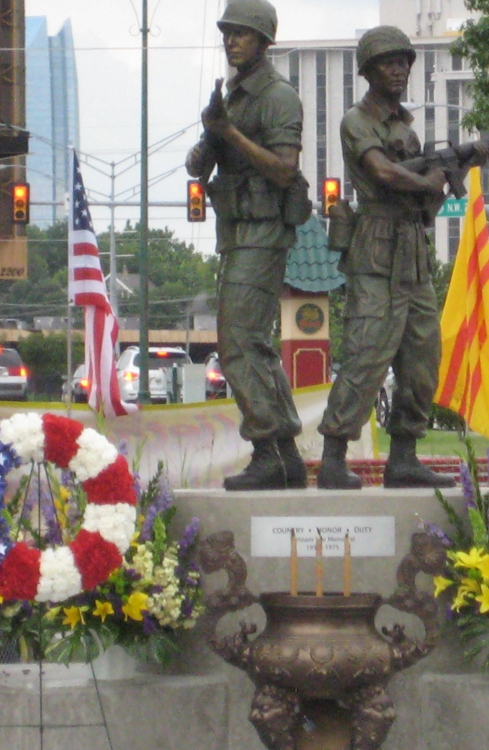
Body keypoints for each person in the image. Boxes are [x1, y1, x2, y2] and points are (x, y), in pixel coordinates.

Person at [316, 26, 489, 490]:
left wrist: (461, 165)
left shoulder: (407, 131)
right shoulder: (357, 121)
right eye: (388, 63)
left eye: (403, 63)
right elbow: (381, 171)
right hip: (375, 252)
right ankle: (334, 457)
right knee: (366, 357)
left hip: (413, 255)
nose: (398, 71)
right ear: (368, 70)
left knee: (422, 361)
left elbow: (425, 199)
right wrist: (427, 180)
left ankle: (404, 457)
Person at [185, 0, 311, 491]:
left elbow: (284, 169)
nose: (231, 40)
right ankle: (284, 456)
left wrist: (228, 133)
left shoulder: (278, 97)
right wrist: (209, 140)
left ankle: (266, 450)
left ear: (264, 40)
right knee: (252, 344)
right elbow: (202, 164)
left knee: (237, 343)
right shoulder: (232, 97)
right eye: (228, 33)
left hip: (264, 230)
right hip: (236, 234)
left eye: (241, 33)